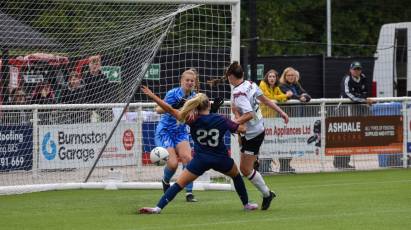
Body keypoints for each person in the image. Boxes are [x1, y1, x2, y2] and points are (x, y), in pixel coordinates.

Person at [139, 86, 258, 214]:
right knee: (236, 176)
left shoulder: (192, 119)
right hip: (221, 159)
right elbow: (243, 129)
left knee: (179, 184)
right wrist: (238, 113)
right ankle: (246, 204)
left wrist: (152, 96)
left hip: (201, 160)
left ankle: (157, 208)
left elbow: (169, 109)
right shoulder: (221, 119)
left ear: (196, 106)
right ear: (209, 105)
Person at [225, 61, 289, 211]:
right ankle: (255, 162)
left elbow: (249, 114)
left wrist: (232, 124)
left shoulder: (239, 92)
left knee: (245, 170)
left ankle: (267, 194)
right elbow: (265, 100)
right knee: (245, 167)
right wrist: (281, 112)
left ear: (230, 76)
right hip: (254, 130)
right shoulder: (250, 84)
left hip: (253, 134)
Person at [154, 69, 198, 202]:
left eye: (192, 81)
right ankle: (165, 181)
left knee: (188, 159)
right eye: (187, 80)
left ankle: (189, 193)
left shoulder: (194, 97)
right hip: (166, 131)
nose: (189, 83)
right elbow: (158, 109)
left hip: (180, 132)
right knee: (172, 164)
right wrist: (173, 106)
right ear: (181, 81)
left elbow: (195, 114)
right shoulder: (173, 93)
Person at [334, 61, 375, 169]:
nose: (357, 71)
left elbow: (366, 92)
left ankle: (344, 162)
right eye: (355, 69)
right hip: (343, 110)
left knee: (351, 136)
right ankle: (338, 162)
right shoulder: (347, 79)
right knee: (343, 136)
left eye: (358, 69)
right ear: (350, 70)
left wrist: (362, 99)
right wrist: (363, 100)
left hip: (358, 109)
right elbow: (347, 94)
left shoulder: (363, 77)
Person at [278, 67, 311, 172]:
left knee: (292, 141)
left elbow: (306, 94)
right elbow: (289, 96)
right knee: (285, 141)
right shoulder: (281, 85)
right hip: (286, 117)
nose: (291, 77)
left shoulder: (296, 84)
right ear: (285, 76)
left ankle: (287, 165)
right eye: (289, 75)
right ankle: (283, 165)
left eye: (293, 75)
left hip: (296, 117)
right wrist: (299, 97)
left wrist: (304, 97)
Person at [258, 69, 292, 173]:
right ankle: (262, 167)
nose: (272, 78)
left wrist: (284, 97)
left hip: (271, 119)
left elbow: (282, 99)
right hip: (260, 118)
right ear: (266, 77)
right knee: (262, 143)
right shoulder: (262, 84)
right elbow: (268, 97)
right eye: (270, 76)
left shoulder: (276, 87)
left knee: (269, 143)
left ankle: (266, 166)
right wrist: (286, 95)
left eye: (273, 77)